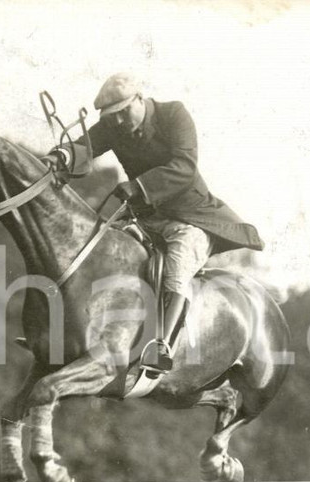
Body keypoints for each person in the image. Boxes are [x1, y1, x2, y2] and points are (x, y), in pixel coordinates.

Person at [48, 73, 265, 374]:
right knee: (97, 249)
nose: (119, 121)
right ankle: (71, 332)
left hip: (191, 218)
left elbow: (185, 166)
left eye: (124, 111)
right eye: (112, 116)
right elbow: (85, 146)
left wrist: (139, 186)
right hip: (145, 216)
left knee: (177, 268)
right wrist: (60, 156)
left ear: (140, 98)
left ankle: (161, 345)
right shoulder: (114, 126)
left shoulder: (173, 114)